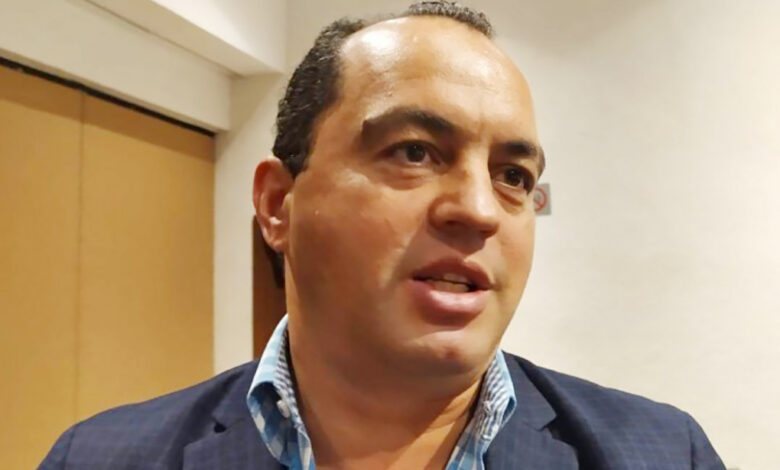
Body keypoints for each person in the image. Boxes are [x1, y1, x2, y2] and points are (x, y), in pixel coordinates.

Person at [39, 2, 726, 469]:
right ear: (278, 205)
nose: (479, 210)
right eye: (415, 152)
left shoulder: (665, 454)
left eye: (513, 175)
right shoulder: (99, 459)